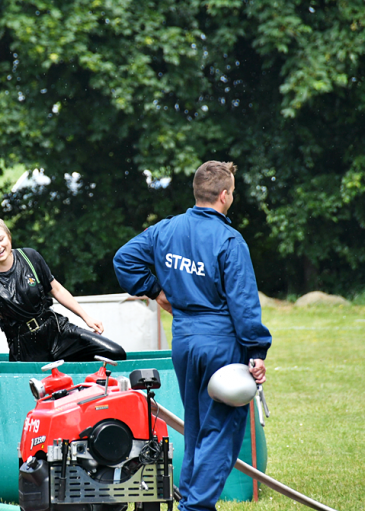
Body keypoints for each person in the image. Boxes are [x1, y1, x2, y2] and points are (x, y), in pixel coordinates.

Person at [113, 161, 271, 511]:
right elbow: (244, 304)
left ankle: (193, 500)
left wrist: (154, 290)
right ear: (225, 195)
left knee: (198, 427)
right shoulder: (230, 239)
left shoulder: (166, 230)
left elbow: (124, 259)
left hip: (183, 340)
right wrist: (256, 350)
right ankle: (195, 508)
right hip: (220, 341)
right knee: (222, 430)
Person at [0, 216, 126, 363]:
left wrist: (86, 317)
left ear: (8, 237)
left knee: (115, 353)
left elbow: (57, 290)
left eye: (0, 239)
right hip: (24, 347)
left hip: (57, 331)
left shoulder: (30, 257)